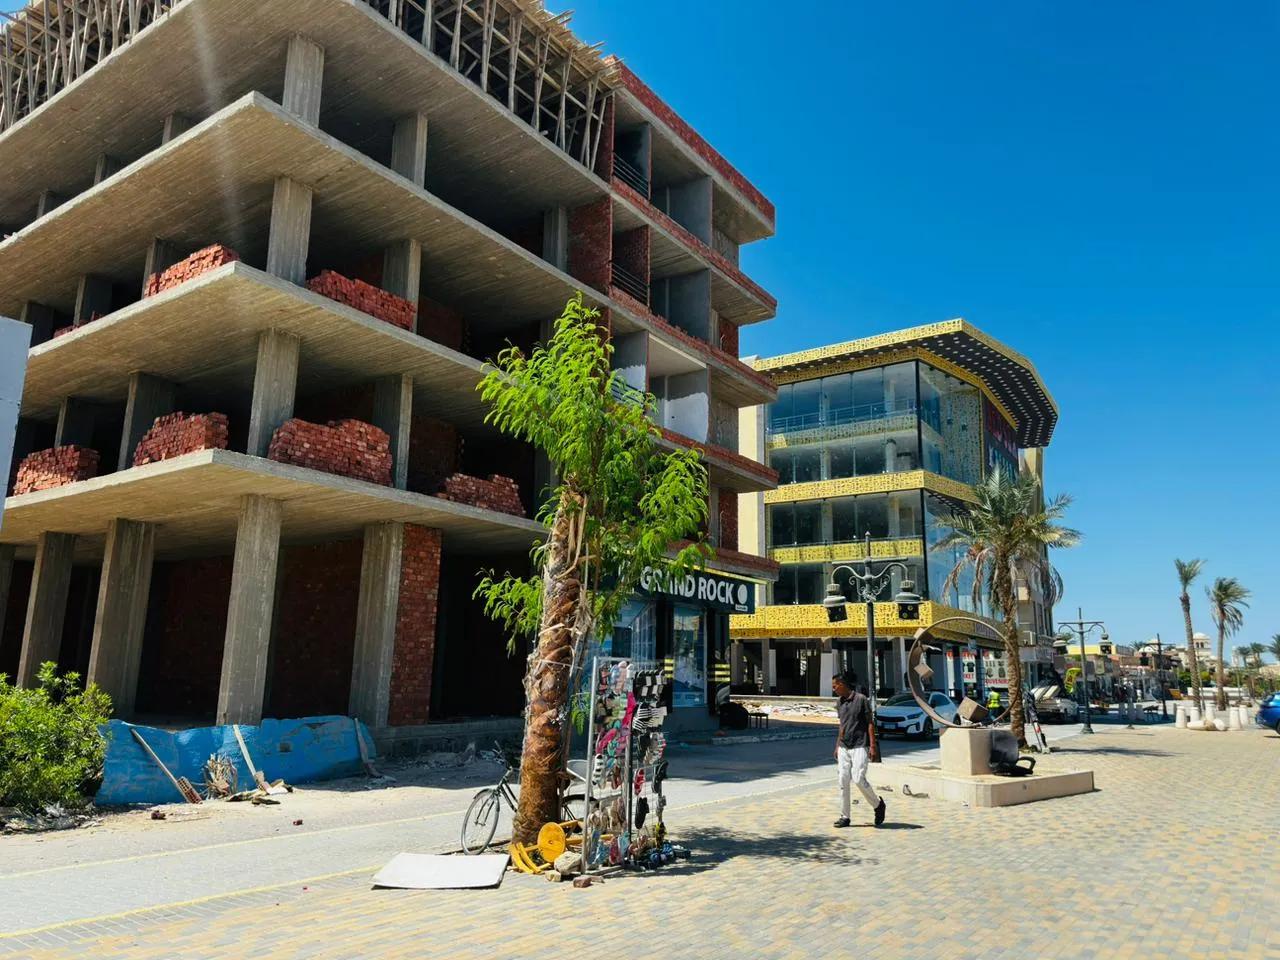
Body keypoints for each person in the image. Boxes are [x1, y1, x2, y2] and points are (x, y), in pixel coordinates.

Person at [832, 670, 885, 829]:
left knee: (858, 779)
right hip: (844, 746)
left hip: (860, 745)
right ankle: (845, 816)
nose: (834, 689)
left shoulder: (861, 699)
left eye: (835, 686)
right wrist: (837, 745)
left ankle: (877, 805)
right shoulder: (839, 703)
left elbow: (870, 723)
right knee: (843, 780)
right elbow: (842, 725)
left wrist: (873, 746)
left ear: (842, 684)